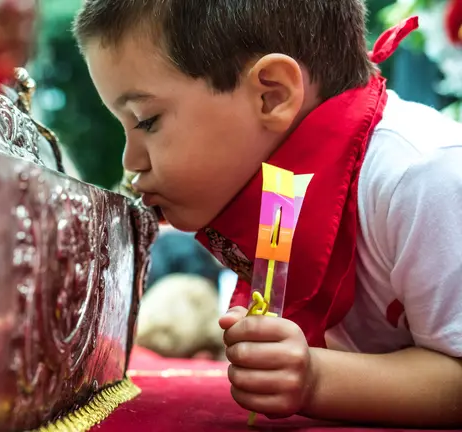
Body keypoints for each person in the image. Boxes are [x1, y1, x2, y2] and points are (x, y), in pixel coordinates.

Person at [72, 0, 462, 428]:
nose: (132, 162)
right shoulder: (279, 190)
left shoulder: (423, 174)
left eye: (146, 121)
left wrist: (315, 379)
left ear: (272, 94)